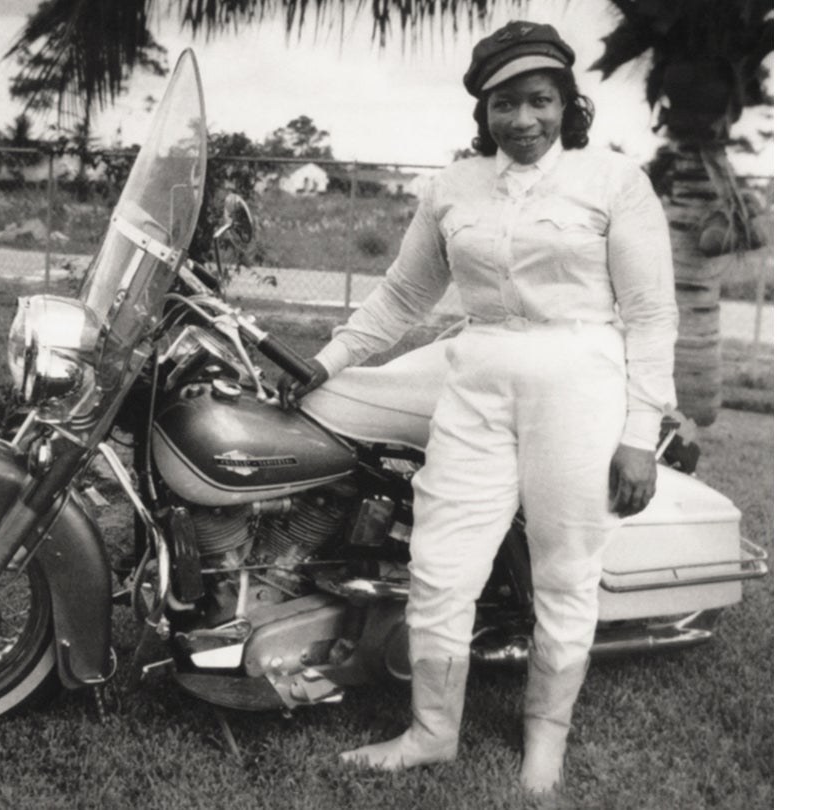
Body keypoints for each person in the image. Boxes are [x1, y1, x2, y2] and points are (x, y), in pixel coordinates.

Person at [283, 20, 677, 797]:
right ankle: (431, 733)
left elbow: (652, 315)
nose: (523, 121)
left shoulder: (613, 182)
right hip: (476, 381)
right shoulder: (452, 187)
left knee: (565, 570)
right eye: (505, 104)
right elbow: (402, 296)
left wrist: (639, 432)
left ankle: (545, 740)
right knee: (439, 564)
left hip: (580, 381)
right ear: (482, 110)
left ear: (568, 103)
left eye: (540, 100)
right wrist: (324, 363)